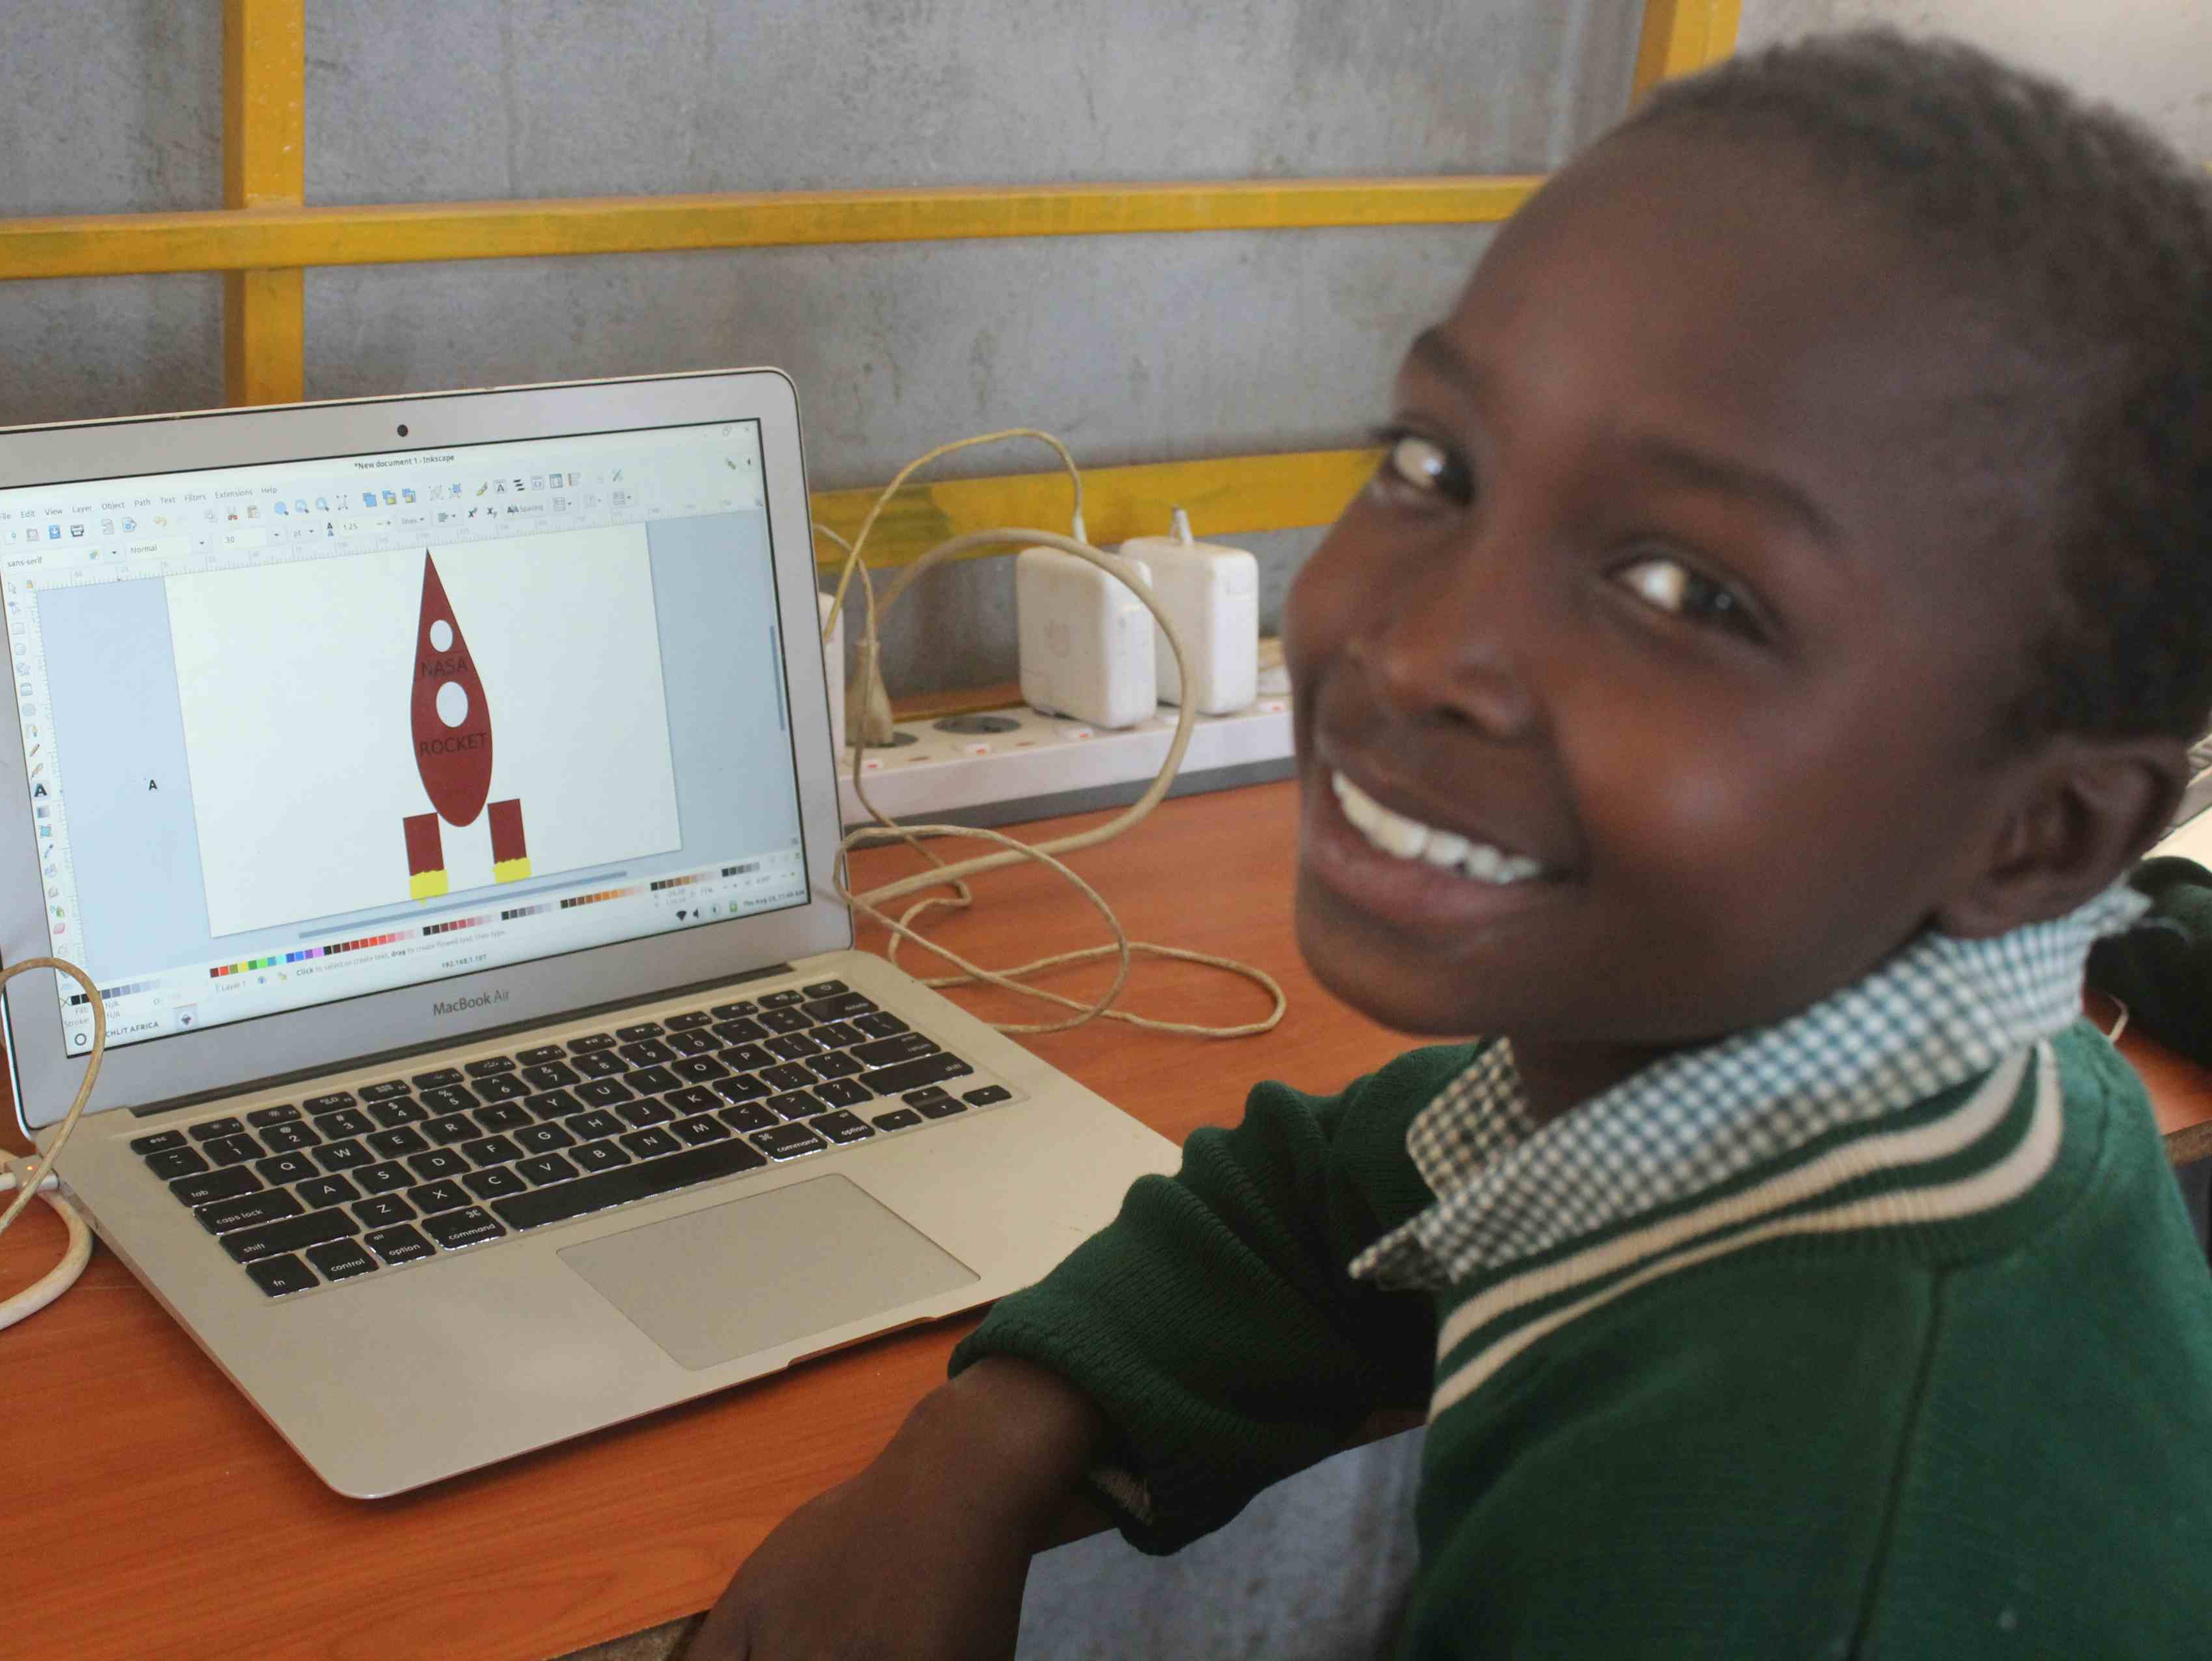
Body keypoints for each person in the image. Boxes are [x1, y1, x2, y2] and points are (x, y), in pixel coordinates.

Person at [684, 30, 2212, 1658]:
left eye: (1690, 592)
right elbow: (1331, 1185)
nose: (1417, 652)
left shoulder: (1798, 1536)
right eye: (1434, 466)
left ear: (2041, 829)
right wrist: (971, 1450)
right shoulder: (1804, 1066)